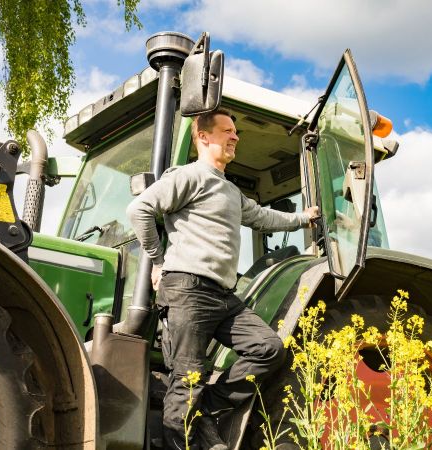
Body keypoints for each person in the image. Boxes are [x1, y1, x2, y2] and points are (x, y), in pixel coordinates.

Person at [127, 108, 319, 450]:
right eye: (227, 131)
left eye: (236, 132)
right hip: (187, 289)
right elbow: (139, 210)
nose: (235, 137)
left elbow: (263, 217)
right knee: (187, 382)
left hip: (224, 296)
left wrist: (303, 219)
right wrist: (157, 261)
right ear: (203, 137)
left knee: (269, 348)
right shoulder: (188, 177)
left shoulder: (230, 191)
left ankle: (209, 407)